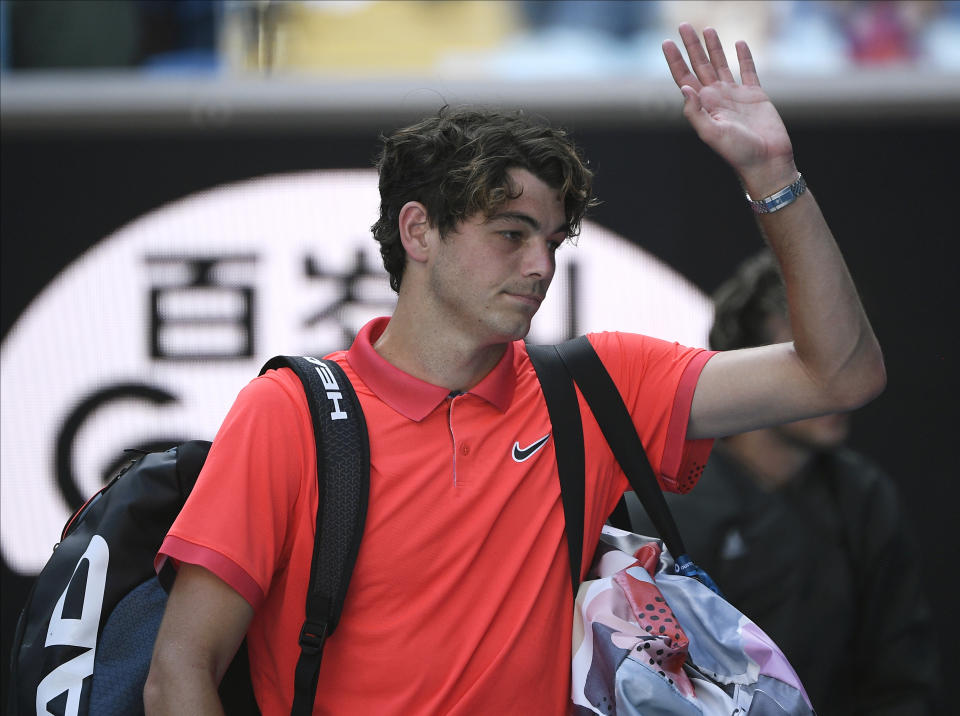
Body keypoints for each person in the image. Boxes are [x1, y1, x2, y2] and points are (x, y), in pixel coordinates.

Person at [144, 24, 887, 714]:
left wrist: (773, 174)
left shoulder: (597, 385)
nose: (540, 266)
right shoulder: (289, 412)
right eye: (510, 233)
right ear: (418, 230)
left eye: (554, 241)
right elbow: (181, 669)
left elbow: (839, 376)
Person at [628, 250, 940, 715]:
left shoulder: (864, 497)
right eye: (811, 355)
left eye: (846, 350)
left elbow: (902, 675)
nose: (839, 374)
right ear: (753, 368)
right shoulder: (660, 506)